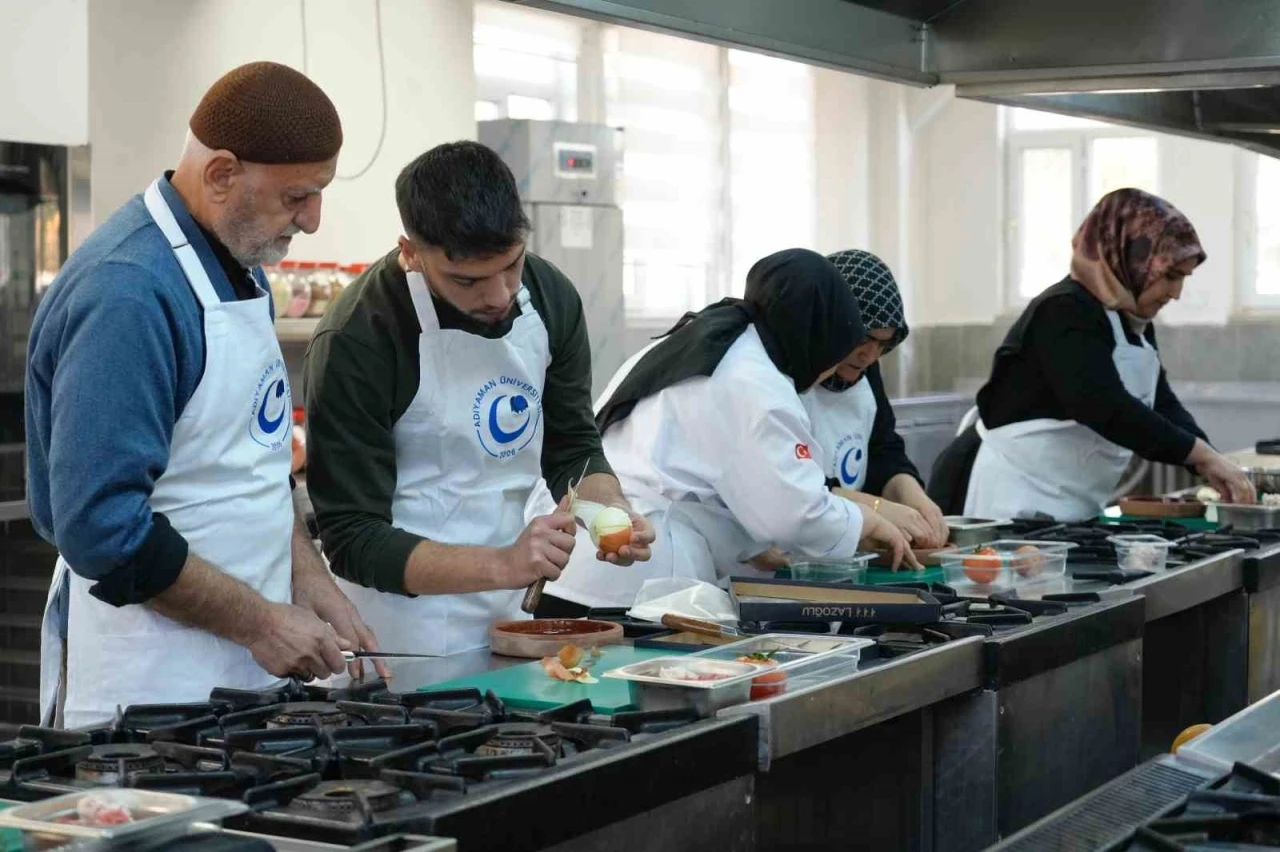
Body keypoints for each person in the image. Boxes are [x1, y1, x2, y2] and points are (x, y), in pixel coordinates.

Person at [28, 62, 386, 729]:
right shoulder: (129, 293)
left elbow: (246, 467)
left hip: (240, 678)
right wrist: (260, 622)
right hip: (145, 694)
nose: (312, 220)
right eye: (297, 197)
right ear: (222, 173)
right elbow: (103, 531)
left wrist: (304, 578)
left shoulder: (239, 266)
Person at [303, 141, 654, 656]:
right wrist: (504, 564)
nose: (498, 295)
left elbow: (572, 446)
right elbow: (353, 537)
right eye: (466, 280)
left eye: (511, 266)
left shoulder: (551, 299)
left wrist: (612, 516)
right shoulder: (360, 336)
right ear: (411, 252)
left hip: (511, 612)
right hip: (402, 626)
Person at [533, 248, 919, 614]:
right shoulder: (756, 384)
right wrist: (868, 521)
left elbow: (704, 474)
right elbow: (794, 512)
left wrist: (748, 545)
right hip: (628, 573)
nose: (832, 371)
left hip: (585, 554)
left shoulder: (714, 338)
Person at [952, 188, 1254, 522]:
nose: (1177, 293)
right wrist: (1201, 456)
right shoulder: (1063, 311)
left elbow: (1162, 403)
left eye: (1183, 278)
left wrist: (1208, 457)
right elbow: (1103, 405)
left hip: (1073, 505)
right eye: (1170, 276)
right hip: (1011, 496)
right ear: (1130, 257)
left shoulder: (1132, 319)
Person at [803, 250, 949, 549]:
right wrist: (878, 509)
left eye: (883, 344)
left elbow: (882, 449)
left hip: (839, 547)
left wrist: (911, 494)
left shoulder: (865, 370)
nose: (869, 356)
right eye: (862, 338)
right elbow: (793, 486)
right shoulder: (785, 380)